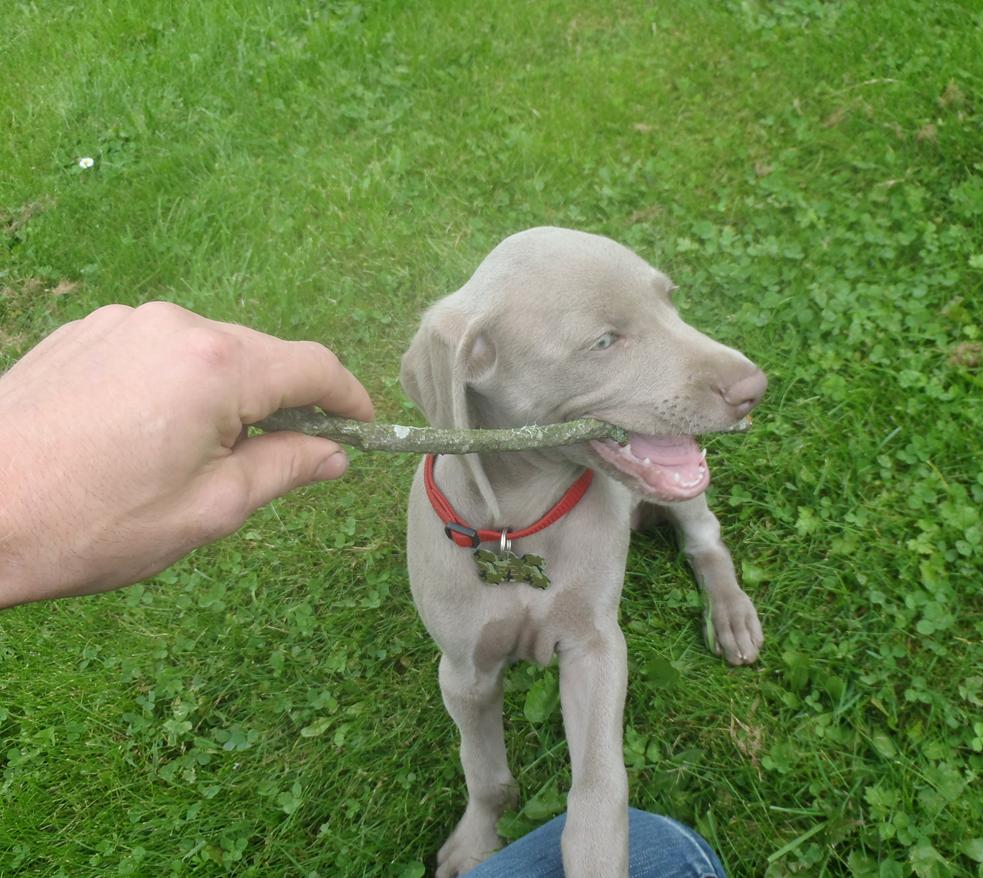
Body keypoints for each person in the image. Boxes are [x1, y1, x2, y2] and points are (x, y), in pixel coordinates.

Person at [0, 302, 727, 877]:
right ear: (465, 369)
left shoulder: (604, 469)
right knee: (472, 675)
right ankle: (489, 799)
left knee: (629, 569)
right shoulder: (445, 498)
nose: (738, 373)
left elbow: (593, 640)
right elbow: (466, 680)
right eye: (606, 339)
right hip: (480, 540)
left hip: (605, 498)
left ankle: (704, 547)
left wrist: (598, 804)